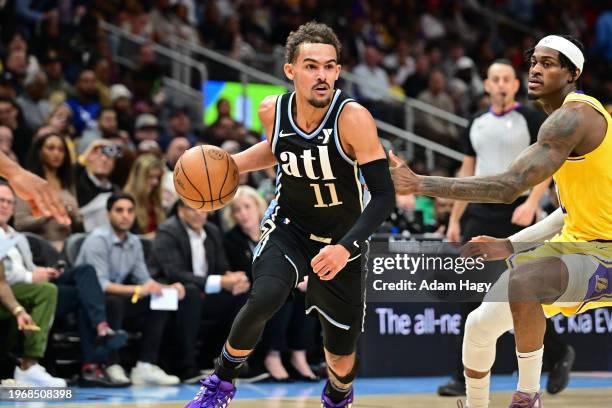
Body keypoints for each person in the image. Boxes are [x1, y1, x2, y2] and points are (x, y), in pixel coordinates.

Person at [390, 34, 612, 408]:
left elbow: (510, 186)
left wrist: (420, 183)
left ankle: (527, 398)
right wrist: (510, 244)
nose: (536, 69)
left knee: (524, 281)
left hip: (604, 252)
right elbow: (569, 212)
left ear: (573, 73)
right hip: (575, 244)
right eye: (534, 62)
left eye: (548, 63)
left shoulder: (574, 117)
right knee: (478, 327)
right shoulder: (561, 125)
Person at [186, 22, 395, 408]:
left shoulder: (354, 118)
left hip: (342, 240)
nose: (322, 75)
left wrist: (345, 249)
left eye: (330, 67)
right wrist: (230, 164)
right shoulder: (272, 110)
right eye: (311, 66)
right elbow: (278, 147)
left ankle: (337, 394)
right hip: (289, 227)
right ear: (290, 70)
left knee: (341, 358)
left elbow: (383, 197)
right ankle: (220, 383)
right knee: (265, 296)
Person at [437, 60, 573, 397]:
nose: (500, 85)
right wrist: (454, 219)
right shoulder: (475, 123)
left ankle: (557, 355)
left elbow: (549, 165)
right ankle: (461, 377)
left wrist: (531, 203)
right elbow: (467, 172)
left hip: (518, 213)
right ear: (486, 85)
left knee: (519, 292)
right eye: (494, 79)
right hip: (479, 213)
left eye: (506, 79)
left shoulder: (530, 118)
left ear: (515, 85)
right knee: (469, 296)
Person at [0, 181, 127, 387]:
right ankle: (29, 365)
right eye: (0, 201)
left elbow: (30, 268)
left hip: (31, 283)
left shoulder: (16, 236)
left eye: (8, 201)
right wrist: (31, 277)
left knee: (85, 278)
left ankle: (95, 352)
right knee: (51, 291)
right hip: (13, 291)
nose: (4, 205)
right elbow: (2, 279)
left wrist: (43, 272)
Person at [75, 192, 184, 386]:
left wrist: (169, 288)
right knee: (114, 301)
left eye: (130, 211)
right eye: (119, 210)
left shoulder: (134, 242)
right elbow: (101, 285)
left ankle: (145, 364)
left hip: (120, 298)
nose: (125, 215)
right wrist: (137, 290)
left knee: (160, 300)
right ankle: (111, 363)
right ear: (108, 214)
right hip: (89, 303)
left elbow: (145, 280)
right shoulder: (97, 240)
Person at [223, 186, 318, 381]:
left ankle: (298, 355)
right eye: (237, 210)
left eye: (247, 207)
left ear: (258, 207)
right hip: (252, 289)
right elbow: (244, 274)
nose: (243, 214)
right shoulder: (232, 240)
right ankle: (272, 355)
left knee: (309, 293)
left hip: (282, 280)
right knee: (278, 294)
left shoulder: (276, 232)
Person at [154, 200, 250, 383]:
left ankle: (227, 362)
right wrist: (220, 281)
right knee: (191, 294)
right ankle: (187, 366)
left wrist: (234, 279)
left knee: (241, 296)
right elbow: (175, 273)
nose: (199, 214)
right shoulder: (168, 231)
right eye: (192, 209)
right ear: (181, 212)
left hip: (205, 292)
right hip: (173, 292)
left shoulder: (212, 231)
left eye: (203, 210)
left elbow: (222, 268)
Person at [15, 132, 83, 250]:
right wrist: (48, 215)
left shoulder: (68, 183)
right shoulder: (29, 183)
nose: (56, 153)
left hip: (69, 245)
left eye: (61, 149)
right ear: (39, 151)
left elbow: (78, 223)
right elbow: (20, 224)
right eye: (51, 148)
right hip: (41, 247)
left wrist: (72, 214)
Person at [123, 154, 165, 236]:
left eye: (157, 177)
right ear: (138, 177)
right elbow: (126, 239)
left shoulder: (155, 200)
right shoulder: (125, 202)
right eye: (150, 177)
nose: (155, 182)